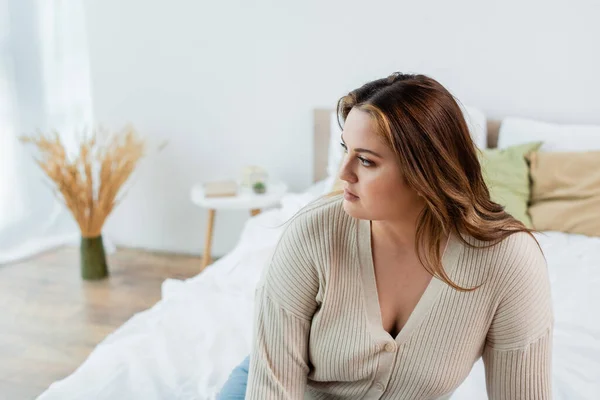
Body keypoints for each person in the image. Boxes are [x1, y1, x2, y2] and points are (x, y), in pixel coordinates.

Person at [218, 72, 554, 399]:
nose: (343, 173)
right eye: (345, 150)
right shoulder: (314, 232)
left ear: (426, 172)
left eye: (365, 160)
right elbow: (273, 390)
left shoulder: (510, 260)